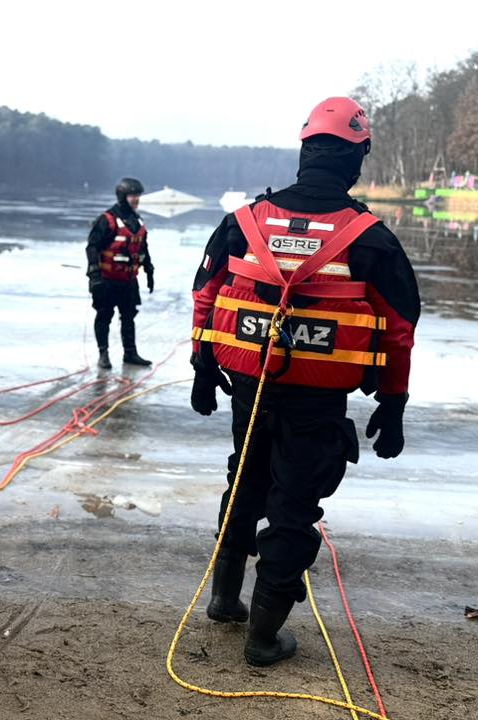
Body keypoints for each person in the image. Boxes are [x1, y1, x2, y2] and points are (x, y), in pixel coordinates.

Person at [189, 98, 420, 667]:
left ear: (304, 151)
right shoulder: (372, 239)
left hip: (249, 386)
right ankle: (263, 638)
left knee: (244, 477)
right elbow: (398, 332)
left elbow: (205, 293)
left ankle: (224, 599)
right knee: (293, 505)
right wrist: (392, 404)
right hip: (316, 400)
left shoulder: (242, 222)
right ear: (357, 158)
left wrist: (200, 363)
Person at [86, 177, 155, 369]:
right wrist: (94, 276)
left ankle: (130, 354)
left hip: (129, 281)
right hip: (107, 281)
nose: (136, 199)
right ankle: (103, 354)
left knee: (129, 317)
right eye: (132, 195)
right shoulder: (106, 220)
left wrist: (149, 271)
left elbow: (143, 248)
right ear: (122, 196)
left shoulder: (137, 221)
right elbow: (92, 248)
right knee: (104, 316)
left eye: (138, 196)